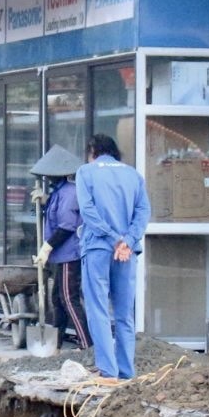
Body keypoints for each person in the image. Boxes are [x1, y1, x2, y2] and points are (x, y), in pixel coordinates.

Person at [76, 133, 149, 381]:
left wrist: (112, 238)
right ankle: (127, 372)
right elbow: (143, 212)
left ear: (93, 150)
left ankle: (108, 371)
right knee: (124, 314)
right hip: (127, 252)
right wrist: (127, 240)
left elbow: (87, 211)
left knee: (98, 309)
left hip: (98, 247)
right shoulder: (133, 175)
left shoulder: (86, 172)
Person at [32, 145, 91, 352]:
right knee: (57, 297)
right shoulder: (60, 192)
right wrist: (45, 200)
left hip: (69, 254)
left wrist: (47, 247)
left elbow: (66, 226)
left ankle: (87, 345)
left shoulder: (69, 193)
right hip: (61, 255)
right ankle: (55, 343)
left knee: (68, 297)